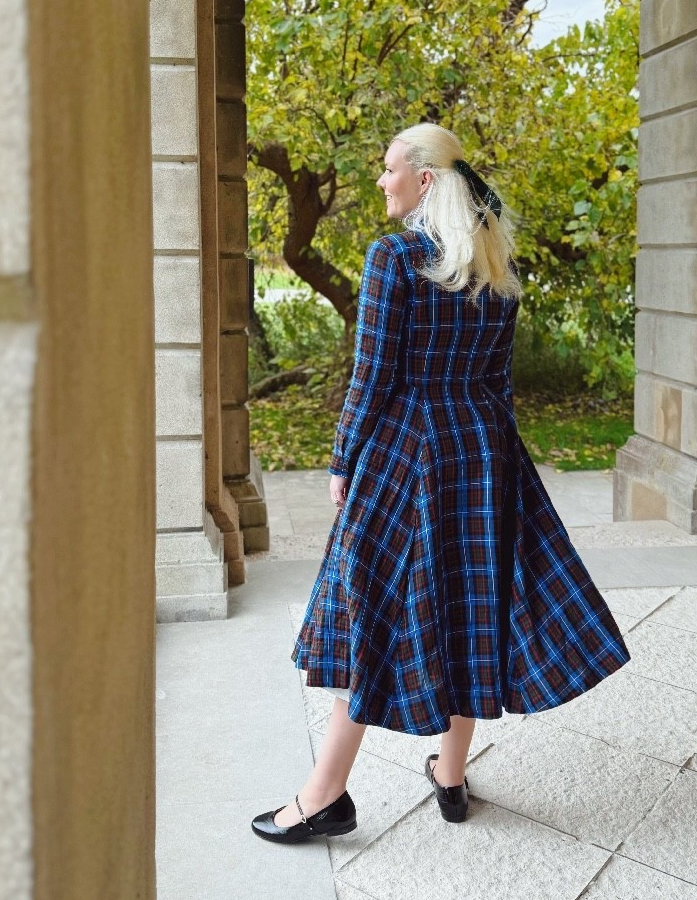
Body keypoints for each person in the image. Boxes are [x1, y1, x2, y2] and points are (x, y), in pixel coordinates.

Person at [251, 123, 631, 844]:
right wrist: (503, 462)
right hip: (483, 450)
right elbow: (498, 383)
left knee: (372, 608)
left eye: (388, 169)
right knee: (468, 607)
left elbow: (373, 377)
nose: (379, 181)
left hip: (407, 452)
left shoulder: (394, 257)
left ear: (424, 179)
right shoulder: (492, 260)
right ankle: (450, 778)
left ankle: (325, 795)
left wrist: (342, 460)